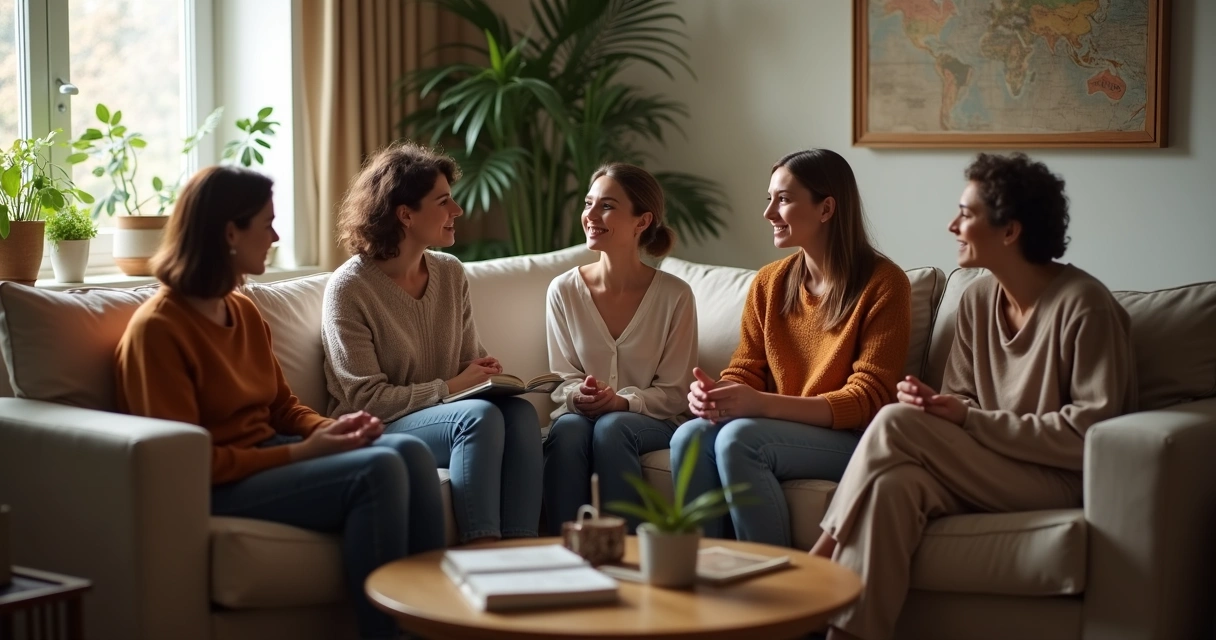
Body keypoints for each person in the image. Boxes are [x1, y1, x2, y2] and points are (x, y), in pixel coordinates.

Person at [812, 153, 1137, 640]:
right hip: (984, 467)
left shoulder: (1085, 306)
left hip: (1056, 478)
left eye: (966, 214)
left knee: (895, 422)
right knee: (892, 487)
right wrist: (939, 408)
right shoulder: (977, 300)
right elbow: (960, 402)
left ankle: (816, 563)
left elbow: (1087, 434)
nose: (951, 225)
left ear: (1010, 231)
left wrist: (966, 419)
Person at [115, 165, 444, 640]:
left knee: (410, 453)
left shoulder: (242, 309)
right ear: (230, 232)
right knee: (377, 472)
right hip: (219, 482)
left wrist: (327, 429)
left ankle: (435, 623)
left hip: (271, 455)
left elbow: (283, 406)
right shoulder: (159, 331)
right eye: (266, 222)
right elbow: (185, 464)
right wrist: (302, 452)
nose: (274, 235)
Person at [670, 149, 911, 546]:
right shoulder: (769, 282)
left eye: (782, 199)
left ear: (826, 208)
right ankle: (700, 580)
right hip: (777, 425)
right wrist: (717, 395)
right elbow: (746, 369)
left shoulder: (885, 284)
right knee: (689, 436)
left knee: (738, 439)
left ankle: (770, 589)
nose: (768, 212)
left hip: (851, 439)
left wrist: (760, 404)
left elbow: (867, 399)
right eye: (769, 199)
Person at [322, 141, 542, 544]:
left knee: (521, 415)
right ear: (405, 214)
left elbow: (467, 362)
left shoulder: (450, 273)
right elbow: (365, 399)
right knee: (478, 418)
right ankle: (482, 551)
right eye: (443, 202)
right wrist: (453, 387)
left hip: (443, 416)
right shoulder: (349, 289)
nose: (457, 211)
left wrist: (484, 375)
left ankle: (523, 548)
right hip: (377, 427)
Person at [542, 163, 698, 533]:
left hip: (654, 423)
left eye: (607, 206)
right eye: (588, 203)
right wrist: (579, 395)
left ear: (642, 222)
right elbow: (562, 379)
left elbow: (675, 393)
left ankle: (625, 551)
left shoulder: (675, 296)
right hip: (583, 417)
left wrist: (622, 402)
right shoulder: (563, 291)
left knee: (613, 427)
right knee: (568, 432)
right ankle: (563, 555)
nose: (590, 216)